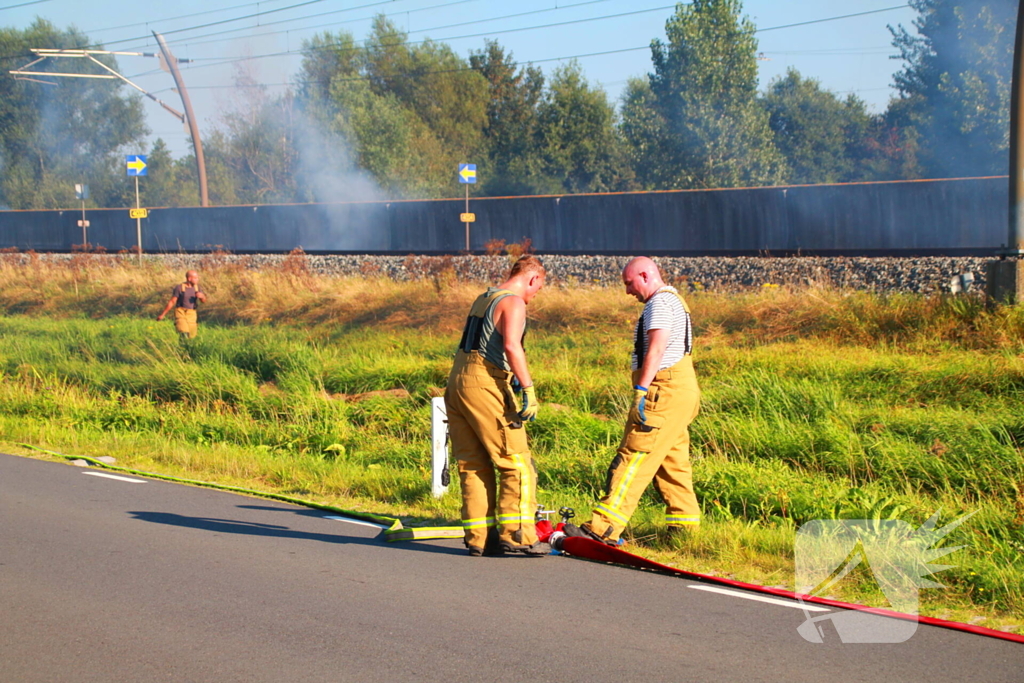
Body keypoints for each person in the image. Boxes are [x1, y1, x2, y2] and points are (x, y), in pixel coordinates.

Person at [564, 256, 701, 546]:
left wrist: (641, 389)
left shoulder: (659, 304)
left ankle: (603, 527)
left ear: (645, 275)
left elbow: (658, 348)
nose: (628, 291)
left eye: (629, 283)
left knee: (635, 456)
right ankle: (685, 532)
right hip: (682, 390)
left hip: (664, 390)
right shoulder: (676, 301)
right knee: (672, 462)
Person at [445, 254, 549, 557]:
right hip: (485, 384)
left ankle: (481, 538)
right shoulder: (514, 302)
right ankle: (518, 535)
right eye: (537, 289)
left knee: (473, 464)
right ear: (533, 278)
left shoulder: (484, 297)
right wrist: (527, 387)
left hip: (458, 383)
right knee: (515, 462)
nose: (533, 297)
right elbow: (511, 345)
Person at [156, 270, 207, 339]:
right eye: (195, 278)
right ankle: (182, 344)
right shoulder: (179, 288)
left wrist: (202, 297)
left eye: (197, 278)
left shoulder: (197, 288)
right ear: (189, 279)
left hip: (192, 313)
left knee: (191, 334)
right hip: (181, 312)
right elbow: (172, 301)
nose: (197, 279)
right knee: (183, 330)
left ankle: (187, 347)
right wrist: (163, 314)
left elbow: (203, 301)